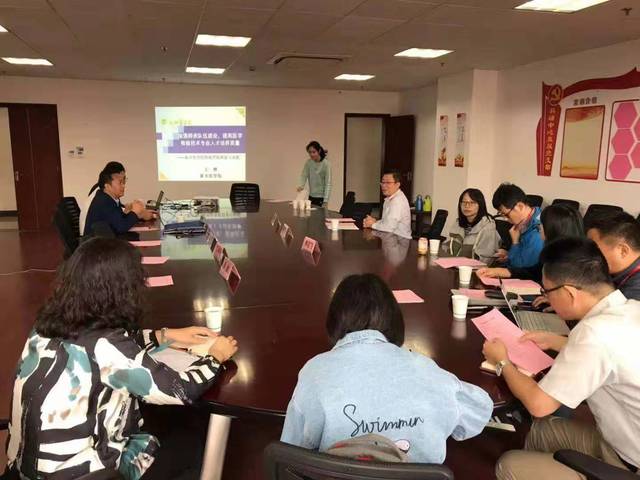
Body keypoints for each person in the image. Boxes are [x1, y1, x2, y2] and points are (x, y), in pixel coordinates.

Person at [5, 238, 239, 480]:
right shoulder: (105, 347)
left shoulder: (42, 329)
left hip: (22, 470)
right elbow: (181, 389)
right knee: (192, 441)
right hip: (85, 473)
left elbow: (112, 346)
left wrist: (167, 335)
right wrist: (216, 356)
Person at [281, 274, 493, 463]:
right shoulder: (426, 370)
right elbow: (480, 411)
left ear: (334, 321)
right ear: (394, 320)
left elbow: (291, 450)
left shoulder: (315, 372)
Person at [481, 237, 640, 479]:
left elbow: (538, 405)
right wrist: (556, 341)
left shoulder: (593, 333)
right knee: (540, 431)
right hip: (617, 441)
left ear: (569, 293)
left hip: (628, 465)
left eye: (547, 291)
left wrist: (502, 361)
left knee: (508, 464)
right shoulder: (630, 308)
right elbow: (611, 356)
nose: (546, 297)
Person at [478, 203, 584, 283]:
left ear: (553, 229)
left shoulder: (573, 262)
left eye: (542, 224)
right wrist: (500, 271)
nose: (539, 227)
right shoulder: (554, 252)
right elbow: (535, 272)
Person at [84, 162, 155, 237]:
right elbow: (121, 227)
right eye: (120, 182)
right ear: (107, 186)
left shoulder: (111, 198)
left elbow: (117, 221)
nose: (123, 186)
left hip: (106, 240)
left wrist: (132, 213)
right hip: (97, 243)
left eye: (124, 182)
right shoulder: (103, 201)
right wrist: (134, 212)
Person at [587, 211, 640, 300]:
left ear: (623, 251)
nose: (587, 253)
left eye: (594, 248)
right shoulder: (614, 272)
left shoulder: (635, 293)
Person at [491, 183, 544, 269]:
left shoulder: (538, 231)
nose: (505, 219)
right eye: (501, 214)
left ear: (520, 206)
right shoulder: (527, 220)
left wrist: (515, 242)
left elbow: (521, 269)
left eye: (506, 214)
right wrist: (509, 255)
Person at [446, 188, 500, 263]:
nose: (467, 206)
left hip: (475, 268)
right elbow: (447, 246)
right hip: (453, 265)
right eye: (464, 202)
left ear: (480, 205)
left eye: (472, 202)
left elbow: (485, 259)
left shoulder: (488, 227)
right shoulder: (457, 223)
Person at [362, 170, 412, 239]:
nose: (383, 185)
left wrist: (372, 224)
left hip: (400, 240)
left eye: (388, 183)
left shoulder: (397, 201)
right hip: (390, 237)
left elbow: (389, 227)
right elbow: (387, 222)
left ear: (397, 185)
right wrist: (375, 221)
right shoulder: (389, 199)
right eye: (382, 182)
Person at [297, 141, 331, 207]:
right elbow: (304, 175)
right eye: (310, 152)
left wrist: (325, 201)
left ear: (319, 151)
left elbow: (328, 183)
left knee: (320, 213)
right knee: (310, 213)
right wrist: (301, 186)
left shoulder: (326, 164)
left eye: (314, 152)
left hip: (322, 198)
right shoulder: (309, 163)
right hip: (311, 196)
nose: (311, 154)